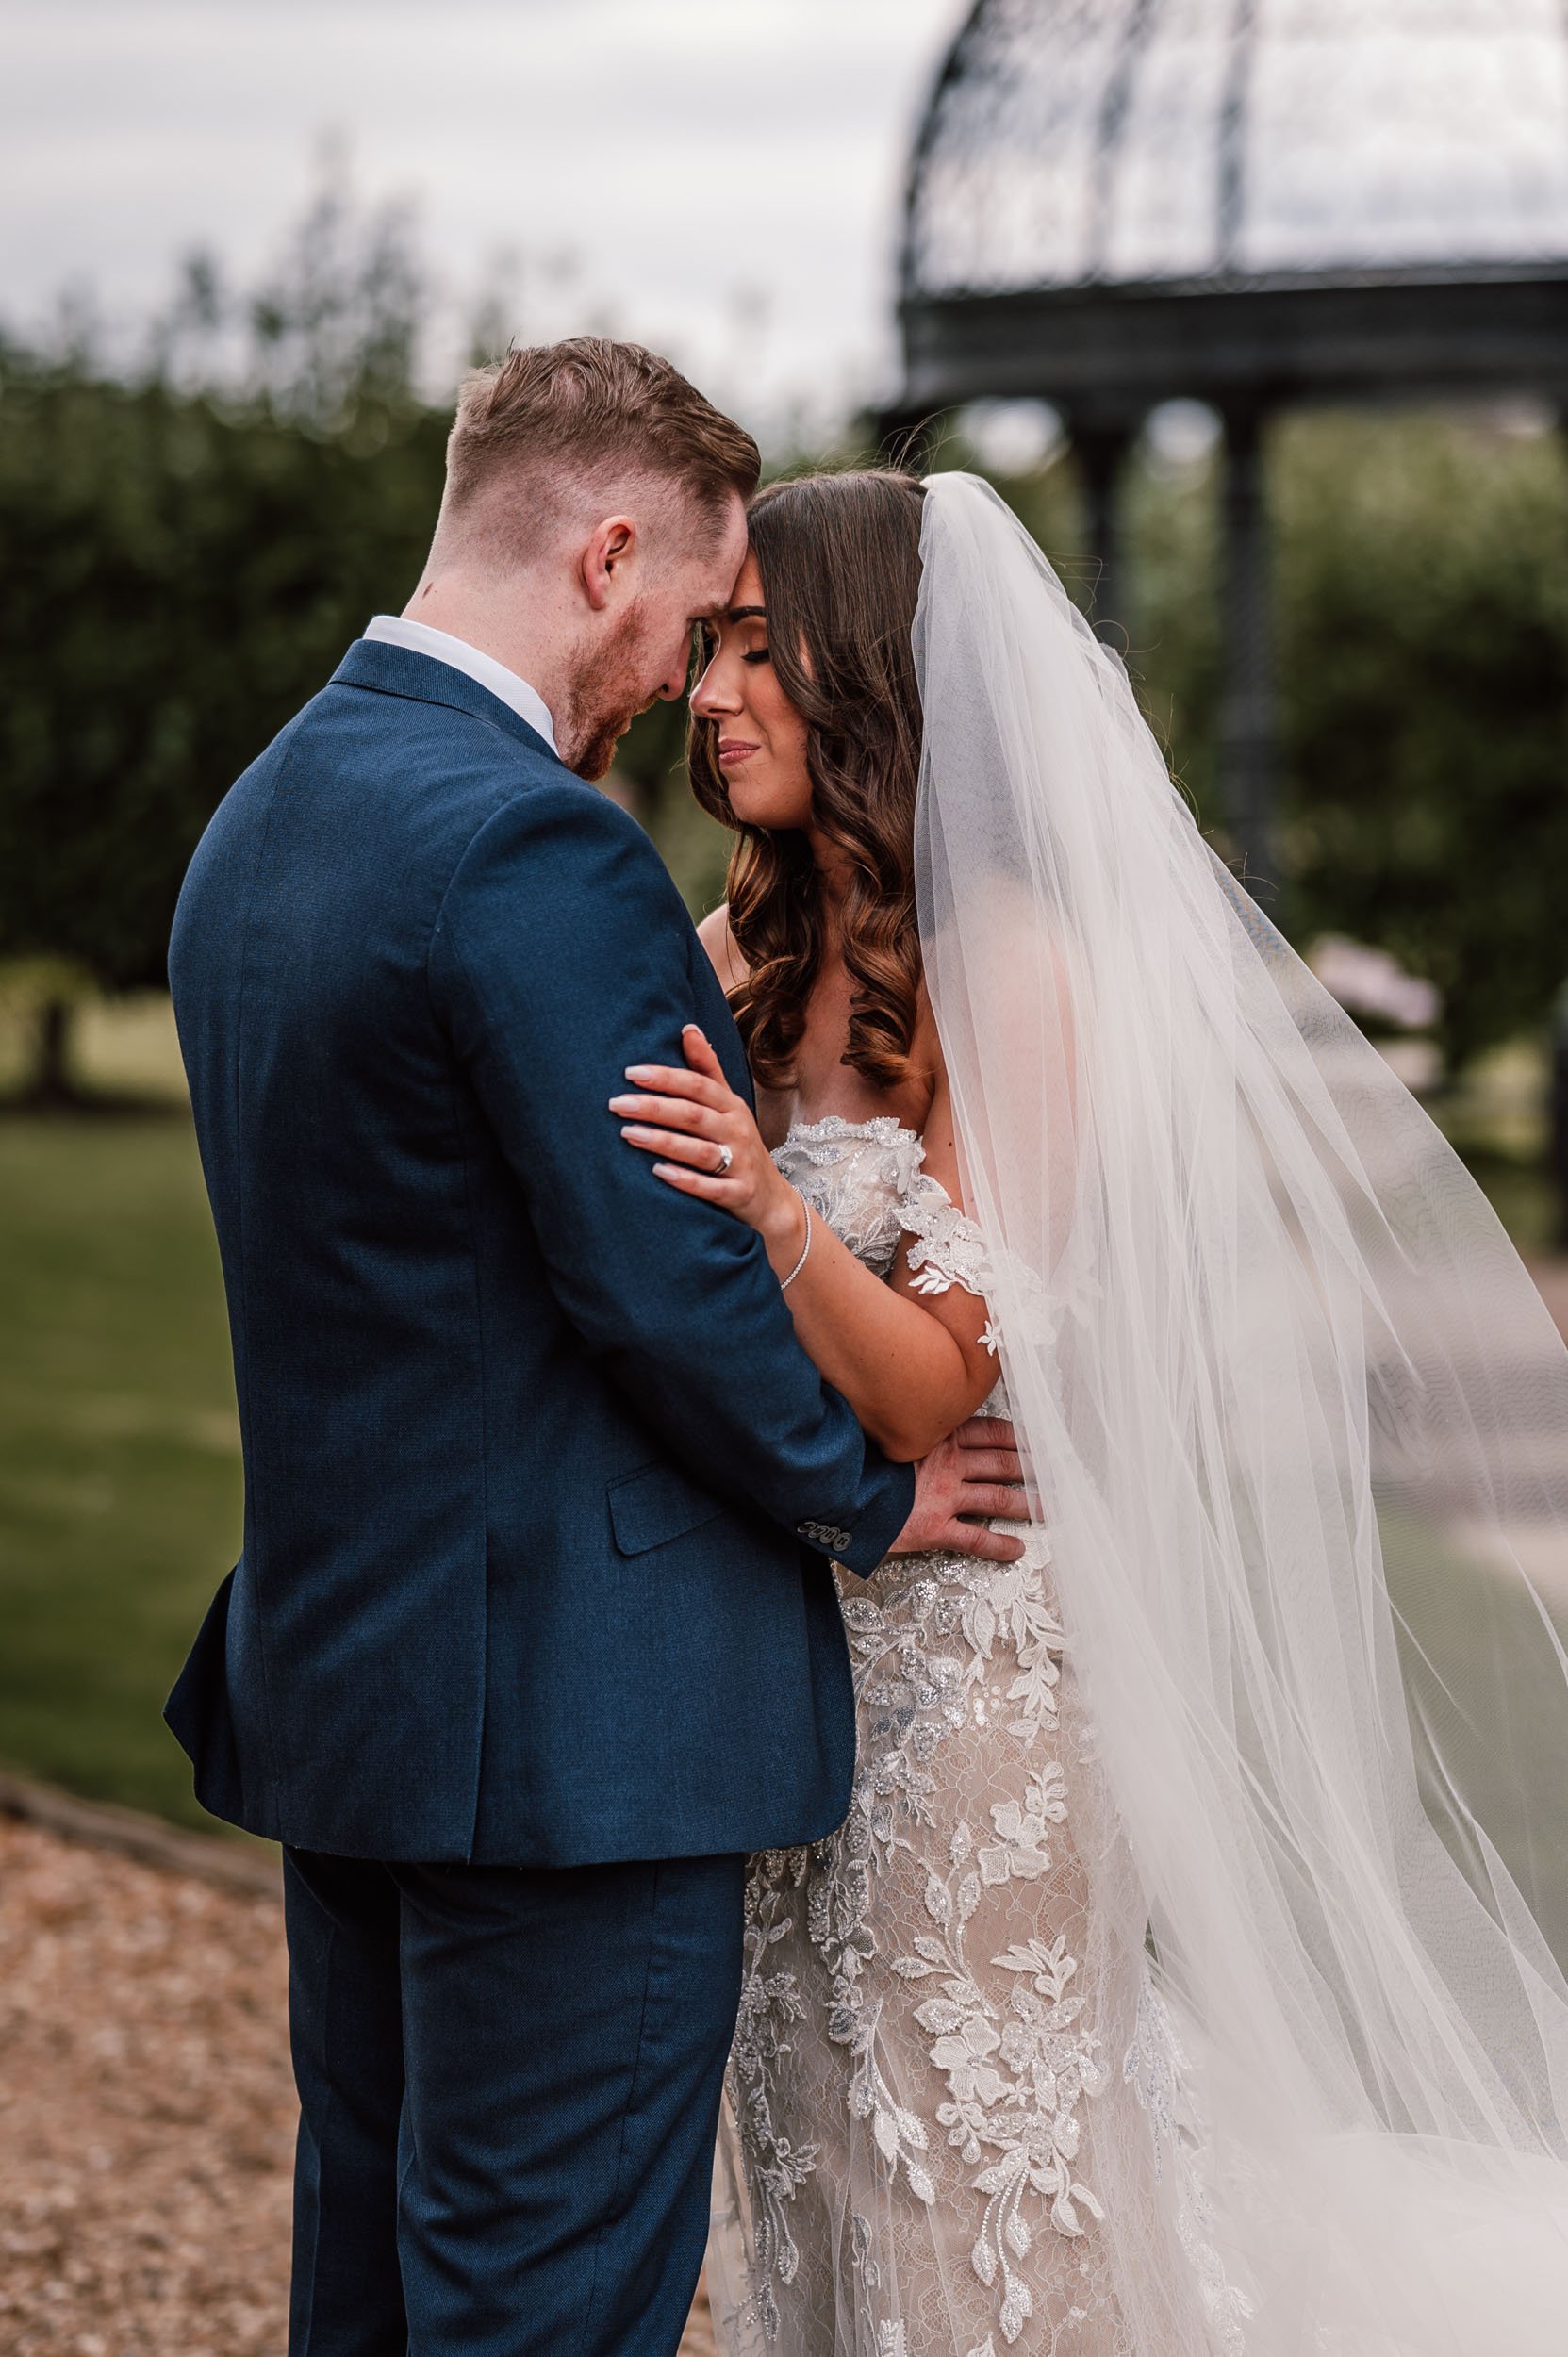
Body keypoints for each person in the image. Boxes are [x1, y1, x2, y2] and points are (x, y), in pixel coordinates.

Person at [621, 467, 1568, 2356]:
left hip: (983, 1681)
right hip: (797, 1650)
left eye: (749, 645)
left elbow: (926, 1384)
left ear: (866, 672)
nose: (704, 690)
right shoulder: (739, 960)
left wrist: (765, 1200)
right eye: (701, 646)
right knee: (806, 2127)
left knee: (972, 2153)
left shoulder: (1020, 975)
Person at [163, 344, 1028, 2357]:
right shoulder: (530, 847)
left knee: (372, 2294)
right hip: (571, 1739)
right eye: (689, 621)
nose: (684, 684)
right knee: (538, 2311)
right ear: (606, 550)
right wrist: (862, 1496)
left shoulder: (264, 814)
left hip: (356, 1696)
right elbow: (661, 1287)